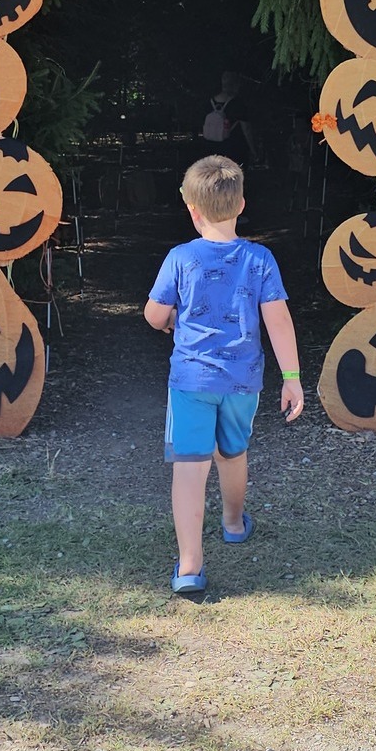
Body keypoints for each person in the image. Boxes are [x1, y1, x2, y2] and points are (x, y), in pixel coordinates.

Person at [143, 155, 305, 595]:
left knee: (190, 468)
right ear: (241, 204)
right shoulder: (260, 259)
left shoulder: (180, 258)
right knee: (233, 453)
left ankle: (191, 566)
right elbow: (279, 322)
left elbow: (154, 314)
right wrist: (291, 376)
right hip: (243, 383)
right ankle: (233, 523)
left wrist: (173, 320)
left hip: (192, 384)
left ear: (193, 211)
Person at [199, 70, 258, 169]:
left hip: (211, 149)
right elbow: (246, 130)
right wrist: (253, 150)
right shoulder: (238, 104)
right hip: (233, 150)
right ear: (236, 85)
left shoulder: (208, 103)